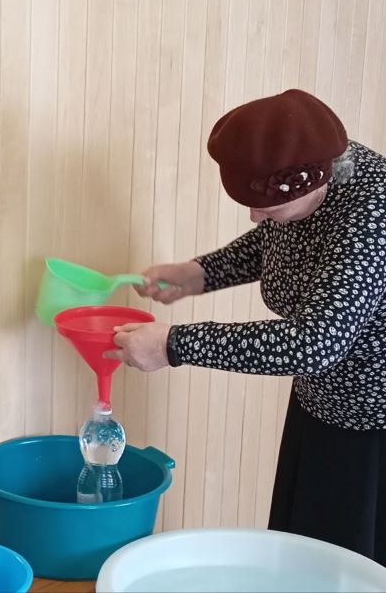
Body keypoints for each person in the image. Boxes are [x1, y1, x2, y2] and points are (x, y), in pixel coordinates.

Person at [108, 89, 386, 565]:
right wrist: (200, 272)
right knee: (301, 553)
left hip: (371, 423)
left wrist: (175, 344)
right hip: (322, 404)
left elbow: (312, 343)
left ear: (311, 183)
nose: (256, 217)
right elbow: (281, 236)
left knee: (345, 567)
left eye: (265, 209)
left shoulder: (372, 218)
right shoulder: (318, 162)